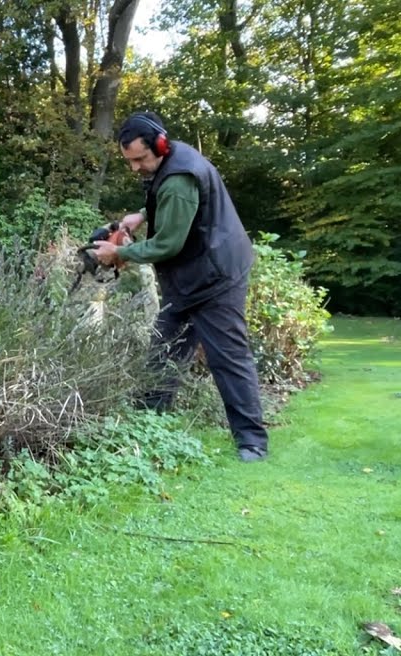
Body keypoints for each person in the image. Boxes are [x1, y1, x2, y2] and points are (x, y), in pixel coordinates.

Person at [90, 111, 269, 462]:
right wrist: (142, 214)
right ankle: (148, 424)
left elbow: (167, 244)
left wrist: (119, 251)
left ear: (159, 145)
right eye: (129, 161)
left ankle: (252, 443)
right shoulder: (174, 161)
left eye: (140, 159)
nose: (135, 167)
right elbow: (170, 204)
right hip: (189, 279)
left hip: (216, 278)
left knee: (228, 358)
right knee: (163, 351)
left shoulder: (178, 179)